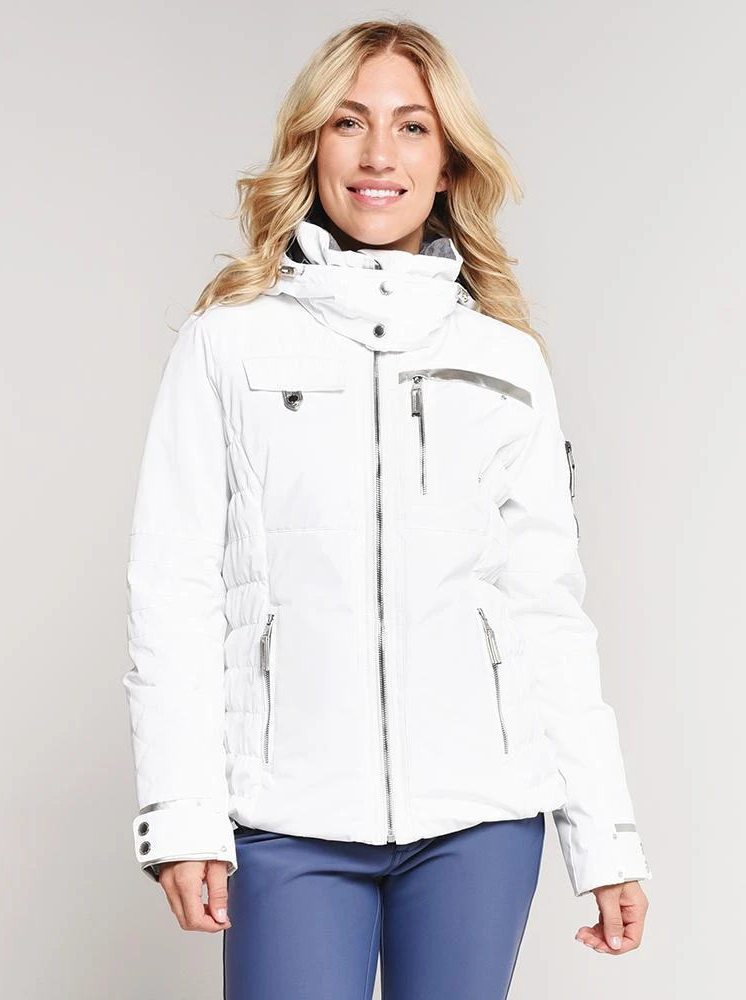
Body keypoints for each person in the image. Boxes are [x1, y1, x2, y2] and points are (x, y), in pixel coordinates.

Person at [122, 17, 652, 999]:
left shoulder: (504, 359)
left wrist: (605, 837)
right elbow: (173, 589)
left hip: (480, 819)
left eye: (412, 127)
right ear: (312, 145)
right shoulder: (227, 342)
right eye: (348, 122)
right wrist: (182, 814)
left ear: (448, 161)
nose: (378, 154)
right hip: (285, 816)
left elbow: (545, 612)